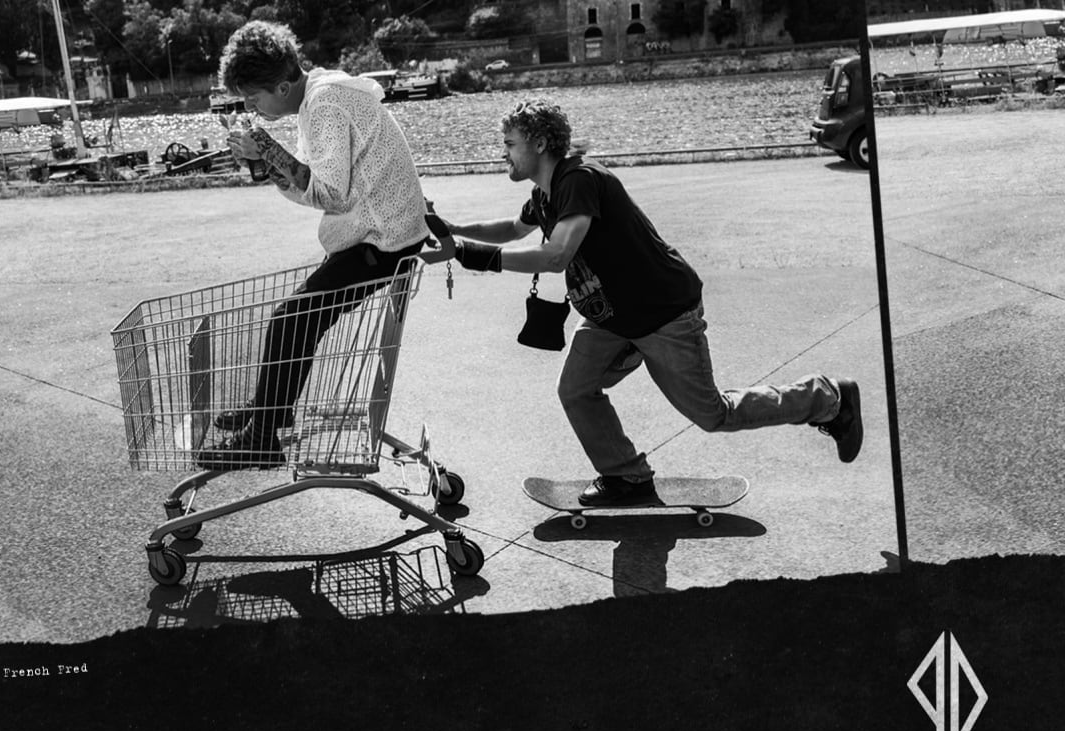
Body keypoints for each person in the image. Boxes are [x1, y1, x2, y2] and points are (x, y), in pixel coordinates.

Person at [421, 100, 862, 507]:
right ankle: (626, 476)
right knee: (575, 389)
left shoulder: (579, 181)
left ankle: (826, 398)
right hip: (612, 318)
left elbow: (556, 256)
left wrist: (468, 254)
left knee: (714, 415)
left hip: (661, 314)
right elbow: (512, 230)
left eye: (509, 144)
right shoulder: (544, 194)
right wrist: (454, 229)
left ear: (538, 143)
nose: (504, 153)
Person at [196, 20, 429, 471]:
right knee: (301, 319)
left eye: (253, 98)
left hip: (383, 240)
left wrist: (266, 151)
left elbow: (330, 193)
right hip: (385, 232)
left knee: (292, 319)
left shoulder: (324, 105)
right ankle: (270, 412)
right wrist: (266, 158)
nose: (250, 107)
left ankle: (262, 436)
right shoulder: (321, 92)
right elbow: (315, 180)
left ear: (283, 86)